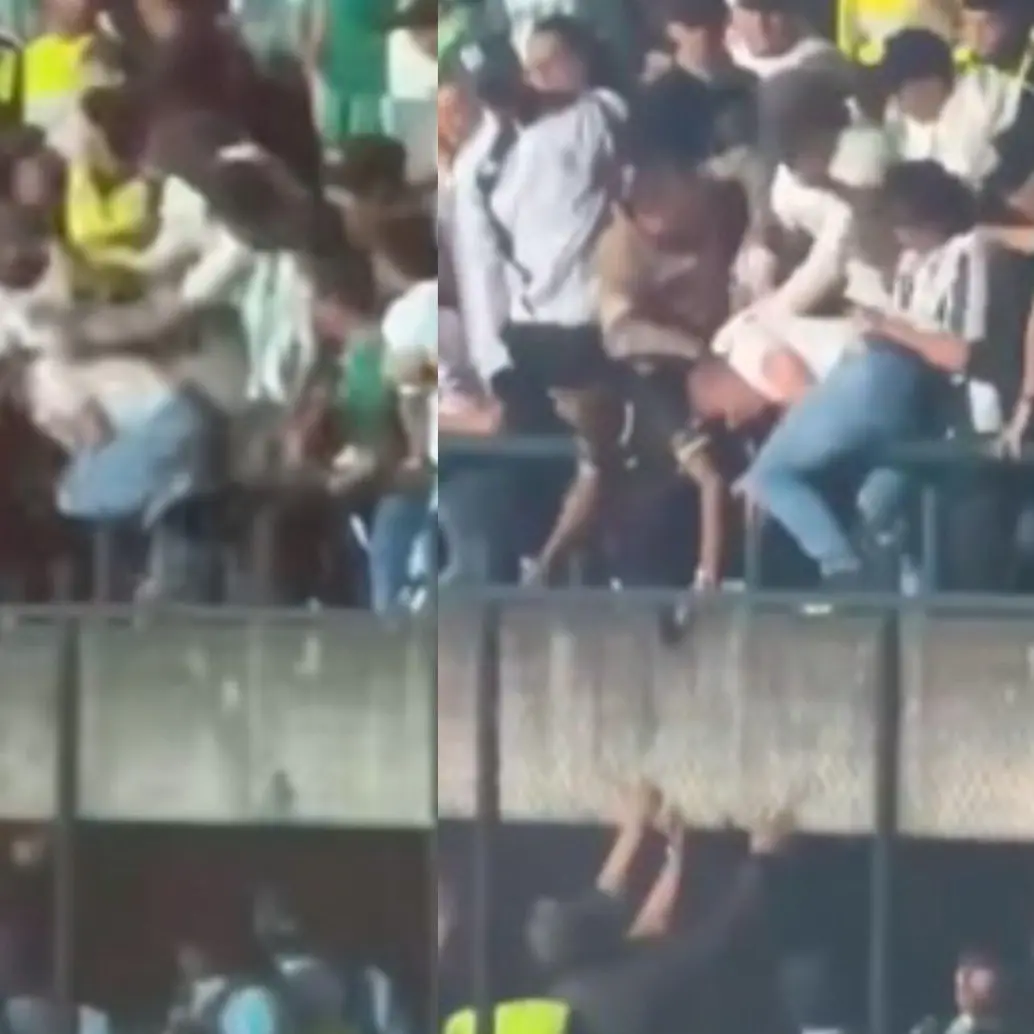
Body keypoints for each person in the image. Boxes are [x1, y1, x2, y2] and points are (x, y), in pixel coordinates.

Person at [741, 160, 992, 588]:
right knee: (872, 514)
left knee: (769, 474)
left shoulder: (968, 253)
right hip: (903, 394)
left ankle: (840, 569)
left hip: (895, 381)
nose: (895, 235)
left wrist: (885, 325)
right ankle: (889, 612)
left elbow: (956, 353)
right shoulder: (913, 265)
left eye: (899, 223)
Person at [881, 27, 1001, 183]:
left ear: (932, 82)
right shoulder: (897, 121)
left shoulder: (986, 98)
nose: (900, 107)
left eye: (901, 95)